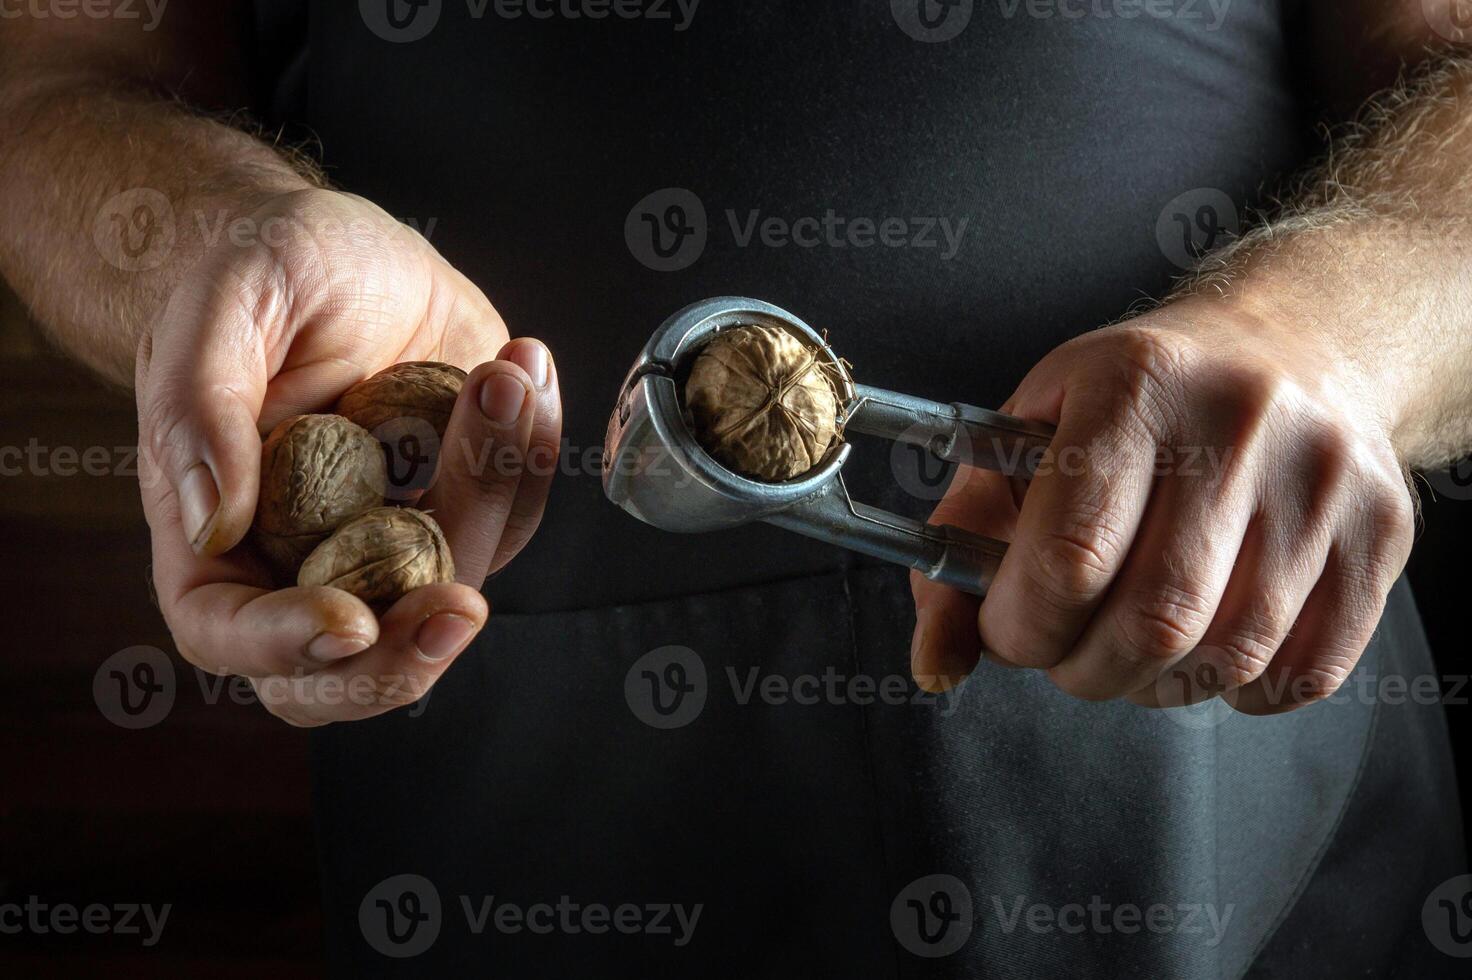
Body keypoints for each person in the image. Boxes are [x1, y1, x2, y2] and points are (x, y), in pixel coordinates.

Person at [2, 1, 1469, 975]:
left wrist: (1331, 335)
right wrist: (215, 245)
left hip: (1201, 663)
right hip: (521, 727)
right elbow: (54, 79)